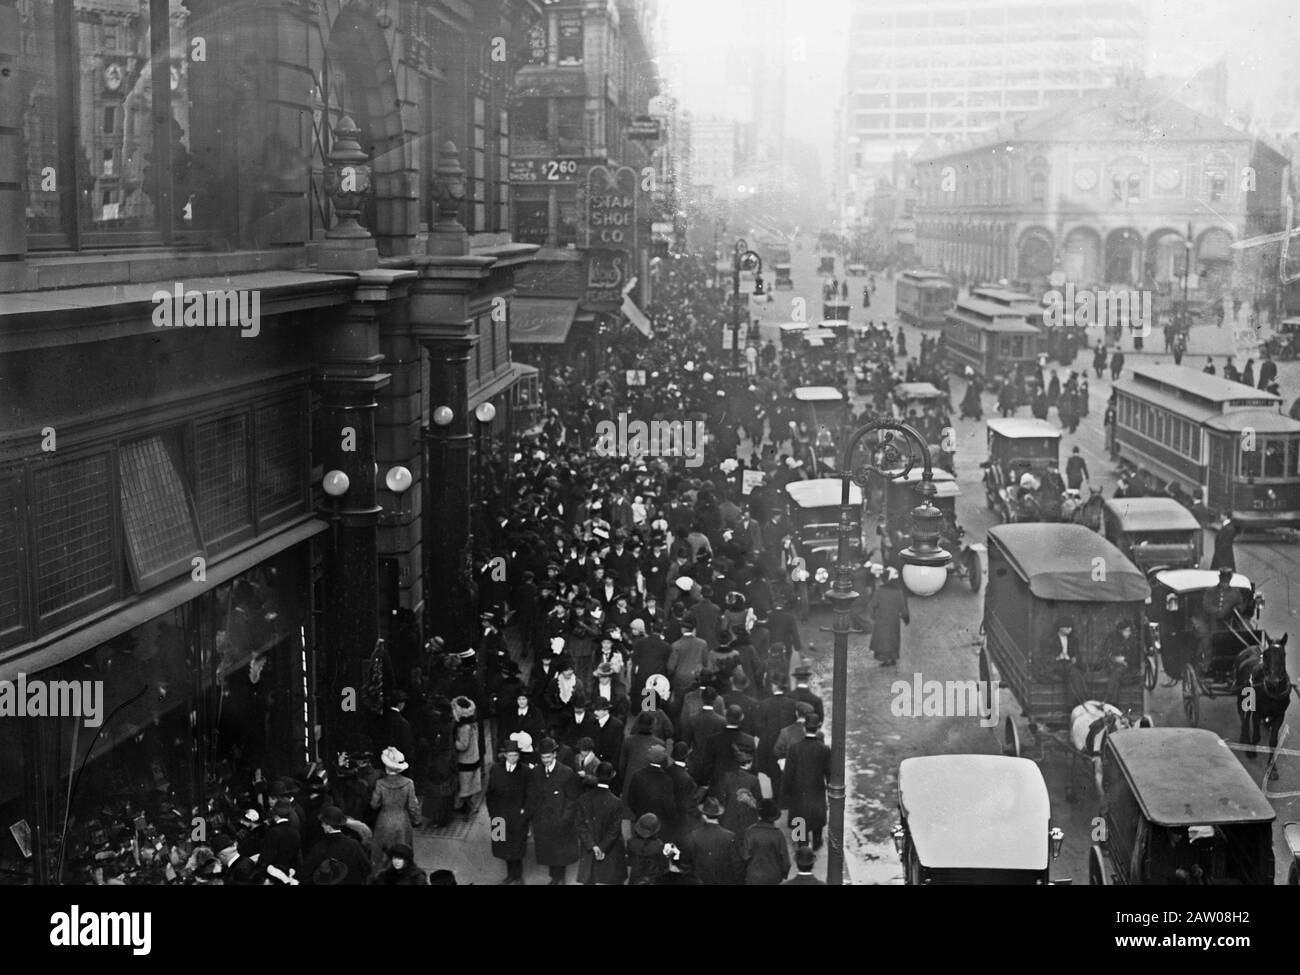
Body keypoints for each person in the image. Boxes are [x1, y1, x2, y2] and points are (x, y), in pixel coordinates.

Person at [527, 737, 581, 885]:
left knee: (560, 851)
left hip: (560, 819)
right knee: (549, 850)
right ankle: (554, 876)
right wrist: (534, 815)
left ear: (555, 755)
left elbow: (572, 800)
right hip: (543, 819)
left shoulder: (566, 772)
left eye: (549, 757)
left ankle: (560, 877)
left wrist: (565, 819)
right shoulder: (536, 772)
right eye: (543, 757)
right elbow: (532, 794)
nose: (546, 760)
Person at [782, 711, 832, 850]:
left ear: (804, 727)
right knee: (817, 821)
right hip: (816, 792)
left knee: (799, 819)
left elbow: (788, 774)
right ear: (818, 727)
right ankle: (816, 843)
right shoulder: (824, 750)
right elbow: (829, 774)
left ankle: (801, 846)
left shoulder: (794, 749)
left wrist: (786, 792)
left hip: (799, 793)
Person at [370, 747, 422, 874]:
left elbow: (374, 805)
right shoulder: (408, 783)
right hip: (402, 823)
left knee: (382, 856)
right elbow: (413, 806)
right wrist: (416, 820)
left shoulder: (380, 783)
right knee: (402, 855)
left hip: (384, 822)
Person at [486, 737, 530, 883]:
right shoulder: (495, 769)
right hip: (499, 816)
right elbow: (490, 793)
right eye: (511, 755)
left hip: (517, 816)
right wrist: (493, 814)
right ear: (505, 755)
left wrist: (525, 812)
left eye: (516, 755)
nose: (513, 758)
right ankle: (510, 874)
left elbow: (530, 794)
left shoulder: (524, 771)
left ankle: (518, 876)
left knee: (517, 847)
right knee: (502, 846)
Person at [576, 762, 627, 885]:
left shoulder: (583, 799)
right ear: (612, 777)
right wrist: (602, 848)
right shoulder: (617, 802)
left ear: (595, 776)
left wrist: (593, 846)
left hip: (590, 850)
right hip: (611, 852)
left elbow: (580, 825)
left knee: (590, 879)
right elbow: (614, 831)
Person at [301, 805, 372, 885]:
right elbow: (367, 869)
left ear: (328, 827)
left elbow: (305, 872)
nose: (322, 825)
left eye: (323, 823)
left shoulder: (320, 847)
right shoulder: (354, 844)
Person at [683, 797, 743, 885]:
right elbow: (737, 866)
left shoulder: (694, 835)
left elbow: (687, 862)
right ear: (719, 815)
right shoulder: (730, 836)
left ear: (703, 816)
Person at [866, 568, 909, 666]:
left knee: (883, 640)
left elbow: (871, 605)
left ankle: (886, 660)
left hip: (882, 619)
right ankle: (893, 657)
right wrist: (905, 617)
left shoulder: (880, 590)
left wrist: (873, 616)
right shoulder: (898, 591)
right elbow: (902, 607)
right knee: (893, 639)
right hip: (894, 620)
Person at [742, 798, 791, 885]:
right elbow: (785, 861)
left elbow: (745, 856)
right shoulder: (778, 834)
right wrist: (783, 875)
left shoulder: (750, 832)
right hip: (773, 877)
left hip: (754, 877)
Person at [1040, 617, 1087, 707]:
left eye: (1071, 627)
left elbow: (1077, 654)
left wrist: (1075, 658)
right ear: (1060, 627)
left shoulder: (1073, 640)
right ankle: (1083, 700)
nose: (1070, 629)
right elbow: (1045, 655)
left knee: (1074, 674)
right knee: (1075, 673)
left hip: (1069, 664)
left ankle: (1072, 703)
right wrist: (1057, 657)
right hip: (1055, 665)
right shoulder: (1050, 639)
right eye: (1067, 627)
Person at [452, 696, 482, 816]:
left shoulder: (464, 728)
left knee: (465, 788)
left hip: (465, 761)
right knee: (468, 787)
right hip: (473, 758)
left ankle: (469, 810)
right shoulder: (473, 724)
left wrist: (452, 742)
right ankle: (468, 807)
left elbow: (463, 746)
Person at [1102, 620, 1142, 706]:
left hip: (1128, 668)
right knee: (1117, 674)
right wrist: (1114, 659)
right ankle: (1112, 702)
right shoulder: (1112, 639)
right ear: (1120, 631)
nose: (1129, 633)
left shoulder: (1133, 641)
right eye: (1126, 631)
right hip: (1112, 666)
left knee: (1118, 671)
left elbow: (1136, 658)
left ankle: (1109, 699)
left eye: (1129, 630)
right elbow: (1106, 653)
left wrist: (1125, 659)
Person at [626, 813, 670, 885]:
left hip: (634, 880)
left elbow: (629, 861)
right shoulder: (659, 846)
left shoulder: (630, 843)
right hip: (654, 880)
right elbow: (664, 866)